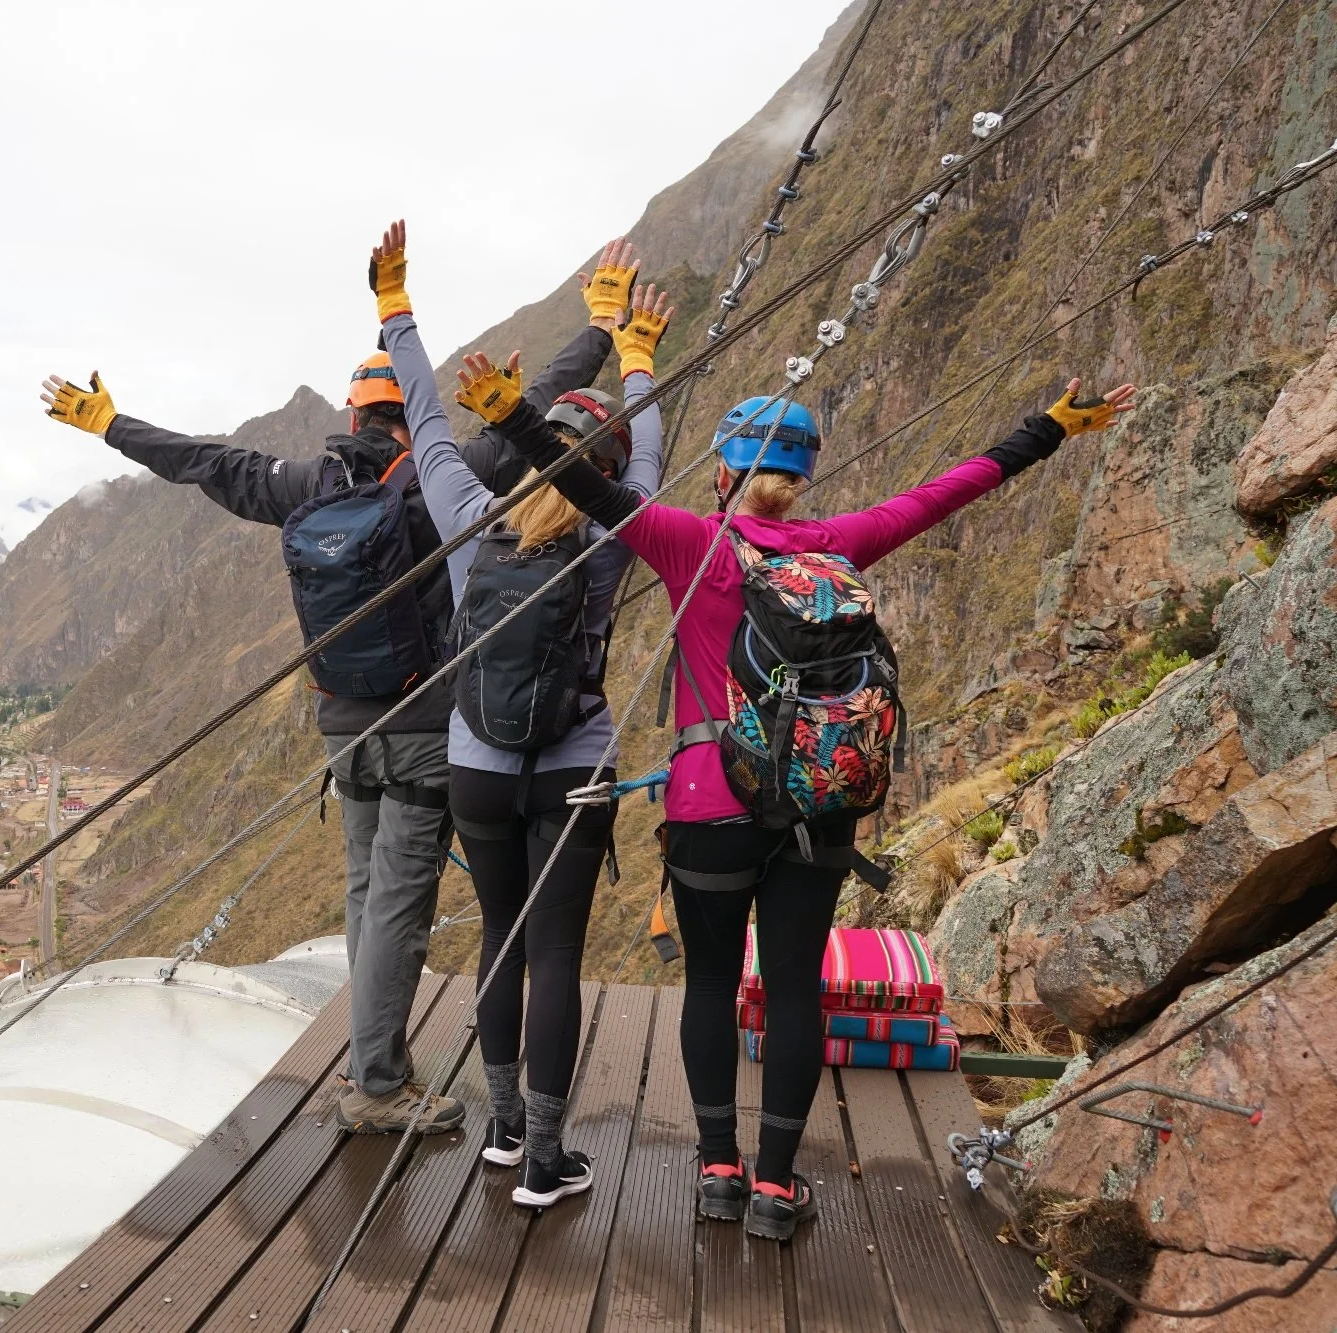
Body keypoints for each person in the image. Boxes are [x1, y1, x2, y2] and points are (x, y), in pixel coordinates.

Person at [470, 355, 1137, 1238]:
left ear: (723, 471)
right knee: (795, 992)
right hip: (820, 810)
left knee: (709, 985)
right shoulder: (841, 543)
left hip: (710, 808)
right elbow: (950, 490)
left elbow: (583, 487)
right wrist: (1049, 428)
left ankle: (715, 1170)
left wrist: (512, 414)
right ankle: (778, 1187)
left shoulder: (687, 539)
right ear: (802, 475)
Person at [36, 242, 639, 1134]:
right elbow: (540, 405)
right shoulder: (442, 479)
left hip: (341, 729)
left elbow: (203, 462)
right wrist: (599, 330)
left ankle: (371, 1055)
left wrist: (112, 424)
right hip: (429, 728)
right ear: (404, 415)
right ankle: (380, 1084)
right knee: (398, 899)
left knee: (367, 891)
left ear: (355, 412)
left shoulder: (301, 483)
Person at [369, 221, 669, 1207]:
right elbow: (652, 448)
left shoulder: (466, 514)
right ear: (607, 465)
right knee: (553, 954)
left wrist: (394, 308)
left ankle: (501, 1131)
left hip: (476, 766)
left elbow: (421, 416)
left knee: (497, 938)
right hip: (572, 767)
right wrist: (635, 356)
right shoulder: (615, 529)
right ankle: (546, 1161)